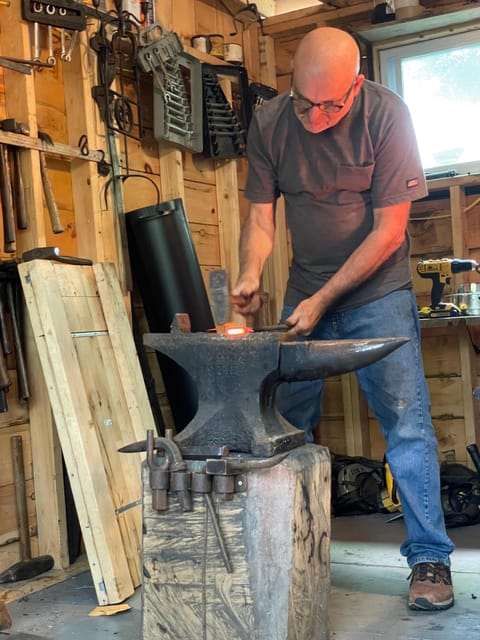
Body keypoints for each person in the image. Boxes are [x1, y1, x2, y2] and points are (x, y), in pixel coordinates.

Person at [231, 26, 455, 611]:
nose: (315, 117)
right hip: (305, 291)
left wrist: (323, 299)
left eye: (331, 105)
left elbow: (389, 233)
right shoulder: (271, 123)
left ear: (356, 87)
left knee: (405, 421)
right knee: (280, 422)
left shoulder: (388, 115)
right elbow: (259, 220)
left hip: (376, 290)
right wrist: (251, 272)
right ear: (290, 87)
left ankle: (429, 555)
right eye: (305, 103)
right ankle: (283, 551)